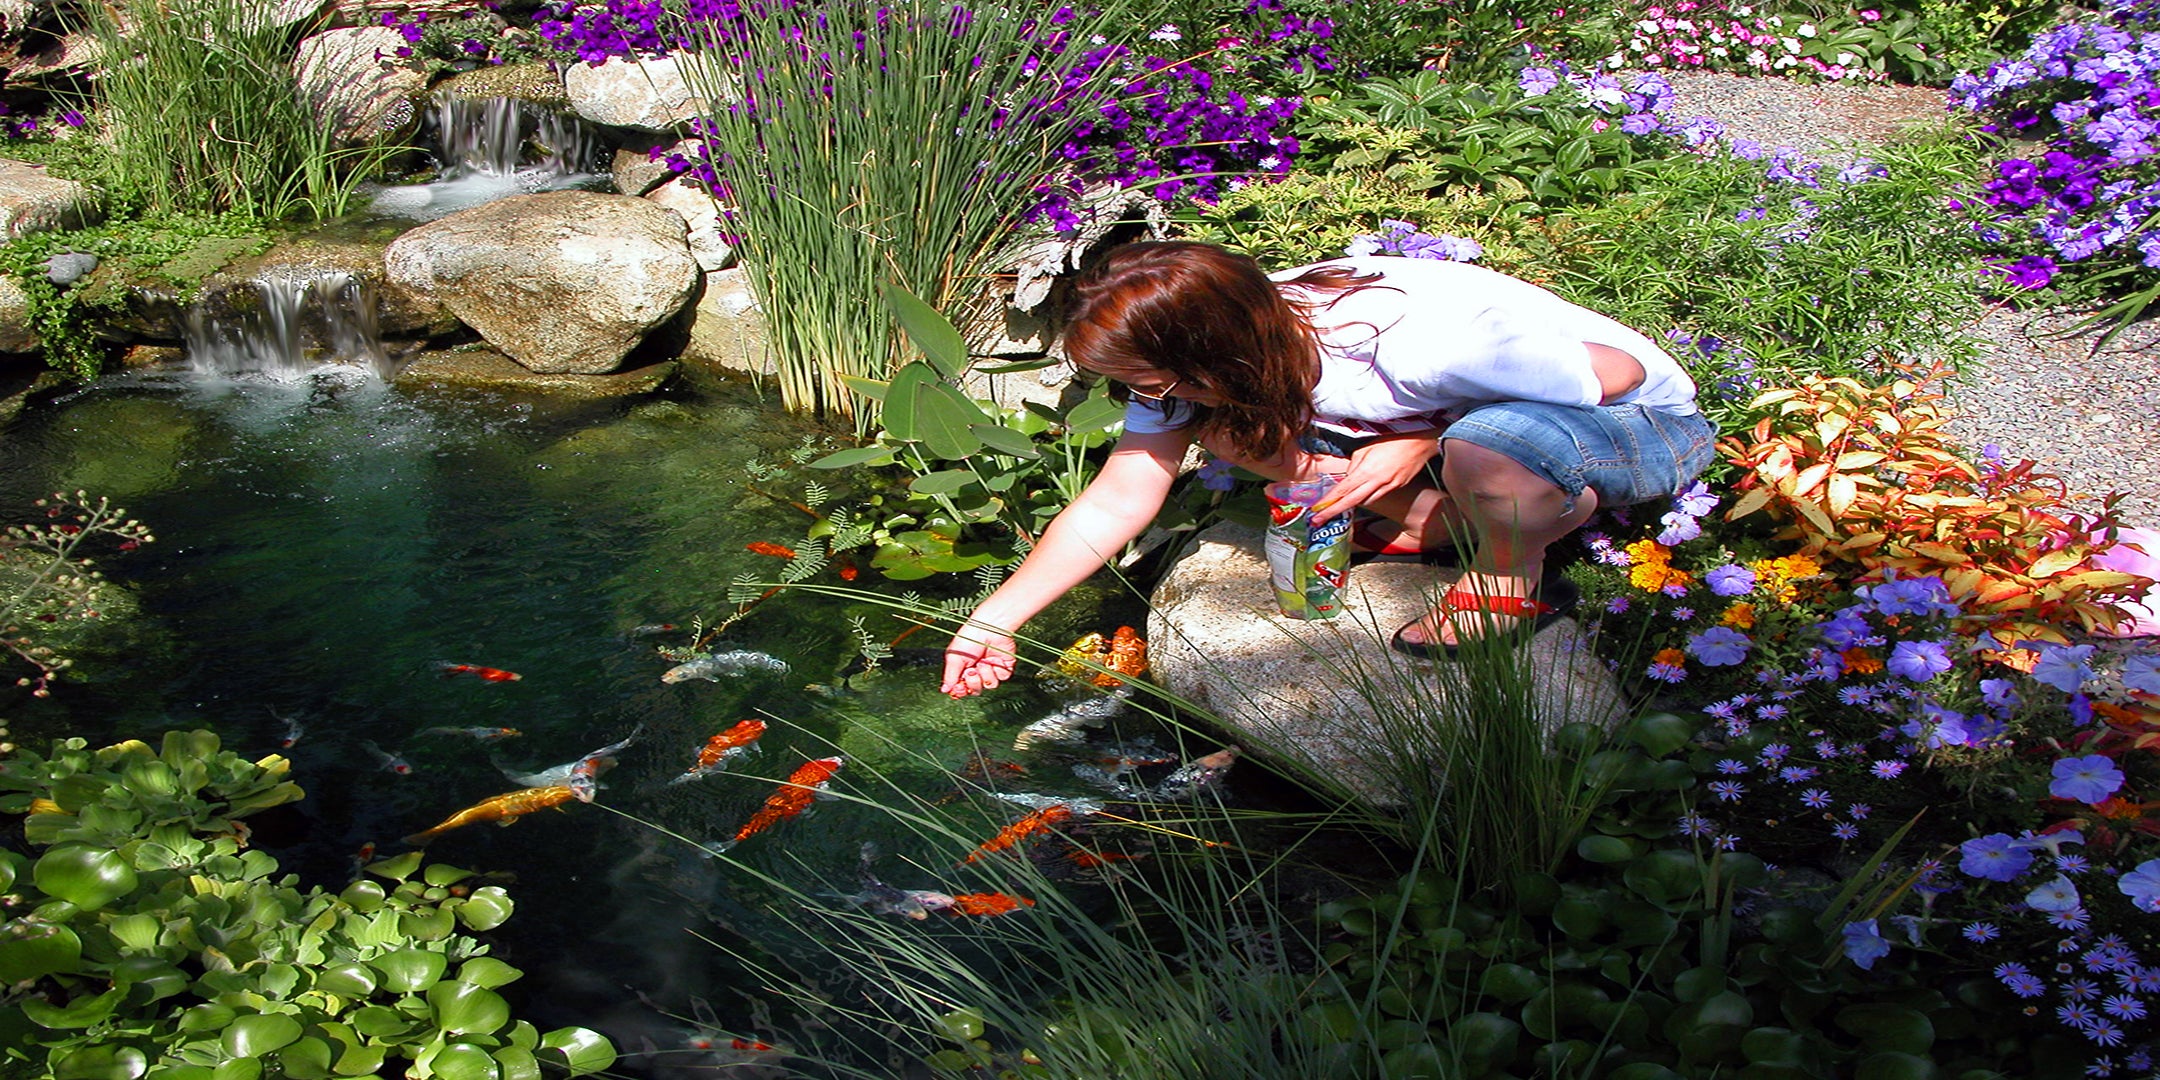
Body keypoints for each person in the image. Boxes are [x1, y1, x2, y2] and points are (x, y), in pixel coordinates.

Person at [940, 240, 1716, 697]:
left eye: (1149, 383)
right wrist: (994, 621)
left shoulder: (1417, 342)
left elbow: (1616, 374)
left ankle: (1510, 572)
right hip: (1482, 442)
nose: (1143, 399)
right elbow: (1120, 496)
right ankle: (1451, 517)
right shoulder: (1238, 342)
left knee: (1488, 442)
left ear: (1210, 350)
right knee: (1235, 433)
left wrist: (1428, 435)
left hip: (1637, 426)